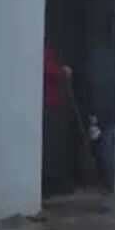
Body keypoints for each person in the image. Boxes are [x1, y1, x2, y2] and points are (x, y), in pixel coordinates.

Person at [85, 40, 115, 193]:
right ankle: (108, 183)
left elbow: (95, 96)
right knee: (108, 149)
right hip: (111, 116)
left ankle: (105, 183)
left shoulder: (97, 76)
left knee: (103, 150)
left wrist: (93, 114)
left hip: (101, 116)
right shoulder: (113, 74)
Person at [42, 43, 71, 196]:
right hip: (48, 103)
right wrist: (62, 72)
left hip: (50, 103)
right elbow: (50, 70)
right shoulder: (44, 51)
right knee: (51, 145)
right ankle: (50, 182)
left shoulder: (45, 50)